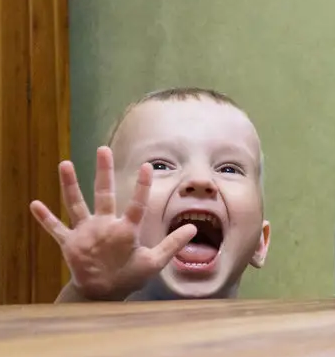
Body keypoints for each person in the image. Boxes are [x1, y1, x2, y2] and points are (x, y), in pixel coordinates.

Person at [30, 87, 270, 302]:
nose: (200, 180)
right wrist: (87, 295)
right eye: (160, 166)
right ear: (112, 222)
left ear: (260, 242)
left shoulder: (275, 342)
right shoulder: (96, 336)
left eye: (228, 169)